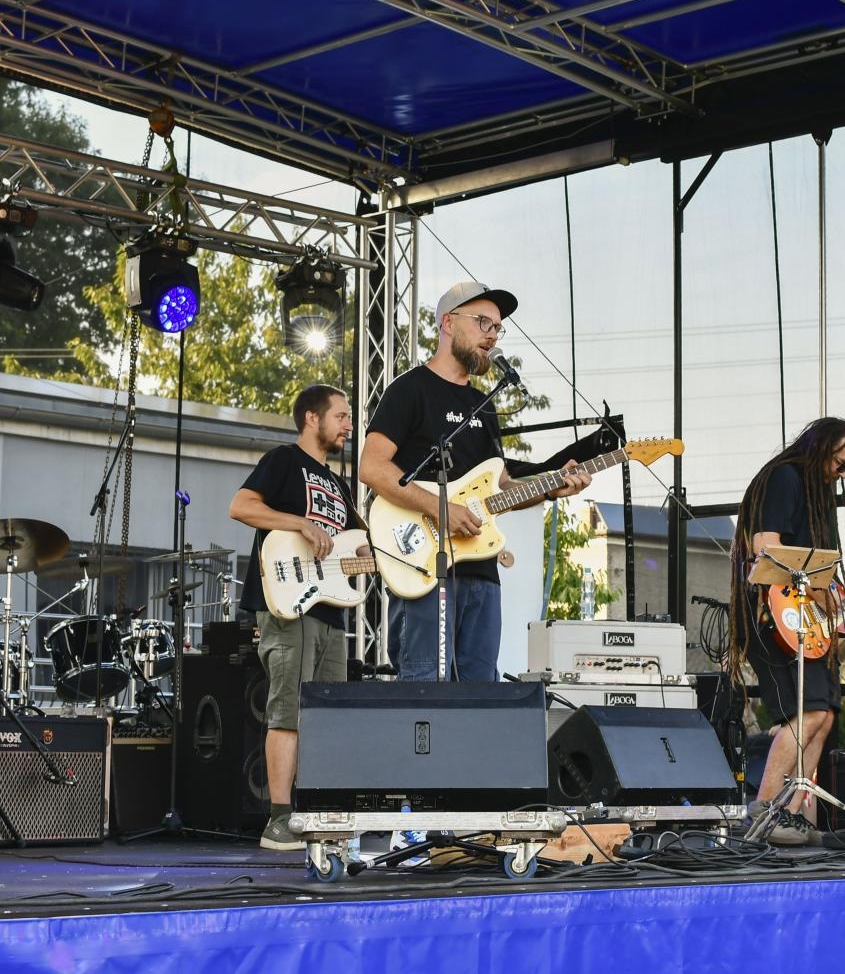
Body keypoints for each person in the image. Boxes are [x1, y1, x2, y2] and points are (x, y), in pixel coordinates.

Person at [359, 281, 591, 681]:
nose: (492, 335)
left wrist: (550, 487)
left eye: (497, 327)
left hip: (482, 573)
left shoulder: (483, 407)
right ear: (448, 323)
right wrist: (441, 509)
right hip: (426, 567)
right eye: (483, 322)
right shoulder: (410, 390)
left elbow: (500, 488)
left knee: (481, 693)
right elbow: (373, 467)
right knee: (425, 688)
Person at [727, 417, 845, 846]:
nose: (843, 473)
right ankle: (765, 812)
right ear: (819, 449)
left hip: (805, 619)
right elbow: (766, 548)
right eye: (840, 463)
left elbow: (824, 579)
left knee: (825, 715)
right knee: (809, 713)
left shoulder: (820, 495)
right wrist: (816, 592)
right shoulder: (784, 477)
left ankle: (794, 815)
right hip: (774, 615)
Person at [229, 384, 365, 852]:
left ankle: (319, 811)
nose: (349, 425)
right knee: (287, 710)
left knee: (328, 716)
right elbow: (241, 506)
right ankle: (279, 819)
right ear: (312, 417)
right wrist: (301, 523)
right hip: (289, 603)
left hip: (331, 610)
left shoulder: (340, 486)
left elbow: (353, 548)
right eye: (341, 416)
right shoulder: (284, 460)